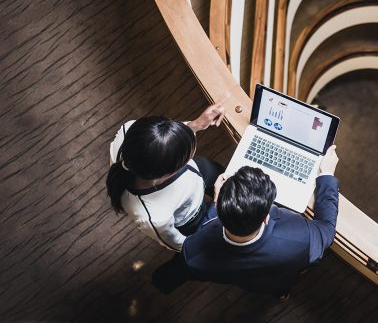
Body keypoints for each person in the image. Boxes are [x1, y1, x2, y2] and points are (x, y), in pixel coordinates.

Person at [155, 145, 340, 298]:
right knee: (278, 286)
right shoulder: (301, 239)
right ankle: (282, 295)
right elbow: (327, 229)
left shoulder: (194, 253)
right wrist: (327, 175)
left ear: (217, 207)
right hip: (276, 278)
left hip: (245, 281)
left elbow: (198, 250)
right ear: (267, 217)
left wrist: (218, 200)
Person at [106, 102, 226, 251]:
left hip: (197, 173)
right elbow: (184, 246)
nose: (193, 153)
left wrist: (196, 125)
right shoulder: (154, 217)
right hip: (192, 216)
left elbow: (161, 141)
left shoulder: (128, 129)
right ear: (166, 175)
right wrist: (216, 206)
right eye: (187, 157)